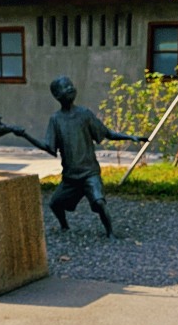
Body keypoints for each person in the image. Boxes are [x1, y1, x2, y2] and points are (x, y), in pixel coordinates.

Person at [42, 76, 145, 237]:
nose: (70, 88)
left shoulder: (84, 114)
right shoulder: (56, 120)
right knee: (55, 204)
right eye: (64, 87)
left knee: (99, 202)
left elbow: (107, 133)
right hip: (70, 177)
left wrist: (130, 137)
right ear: (56, 95)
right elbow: (49, 147)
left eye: (71, 85)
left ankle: (110, 232)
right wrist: (22, 134)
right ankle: (64, 226)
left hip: (89, 173)